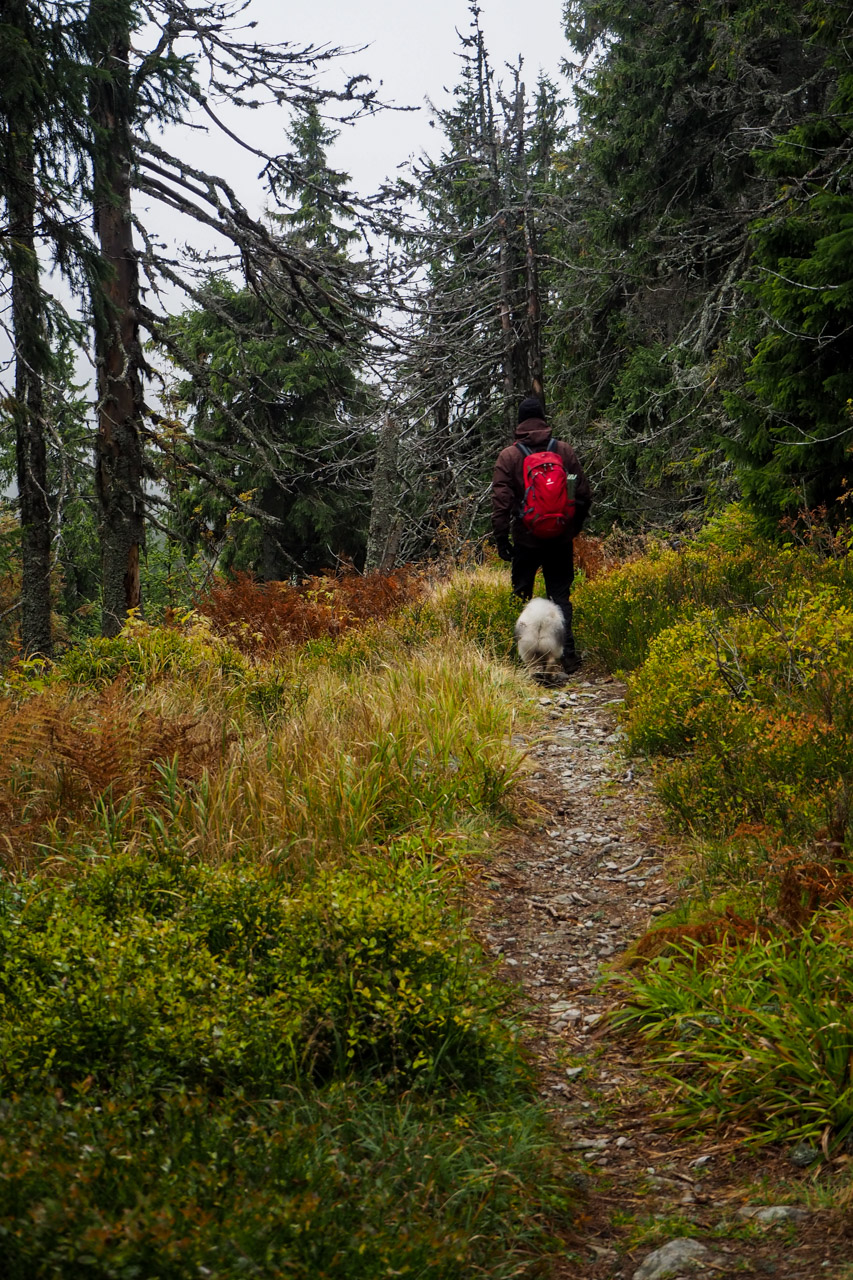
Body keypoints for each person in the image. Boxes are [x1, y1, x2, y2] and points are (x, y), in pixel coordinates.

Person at [491, 395, 592, 674]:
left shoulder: (509, 457)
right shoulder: (563, 452)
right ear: (544, 419)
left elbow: (501, 502)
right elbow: (581, 495)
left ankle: (523, 660)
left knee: (521, 595)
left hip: (526, 540)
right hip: (560, 539)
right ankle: (568, 657)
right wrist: (572, 527)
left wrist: (501, 539)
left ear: (520, 422)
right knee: (560, 597)